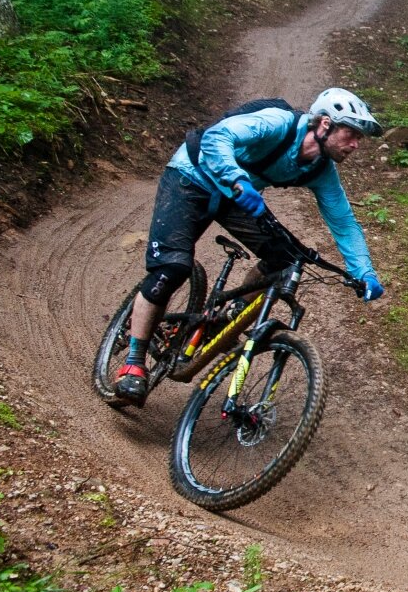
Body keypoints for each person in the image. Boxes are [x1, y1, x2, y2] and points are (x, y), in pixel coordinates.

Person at [110, 87, 386, 405]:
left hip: (235, 193)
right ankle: (134, 362)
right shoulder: (276, 123)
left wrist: (363, 271)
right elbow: (216, 138)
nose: (355, 144)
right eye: (351, 134)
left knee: (285, 259)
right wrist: (237, 179)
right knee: (172, 267)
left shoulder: (321, 170)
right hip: (192, 176)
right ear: (324, 124)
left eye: (359, 138)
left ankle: (228, 315)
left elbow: (344, 223)